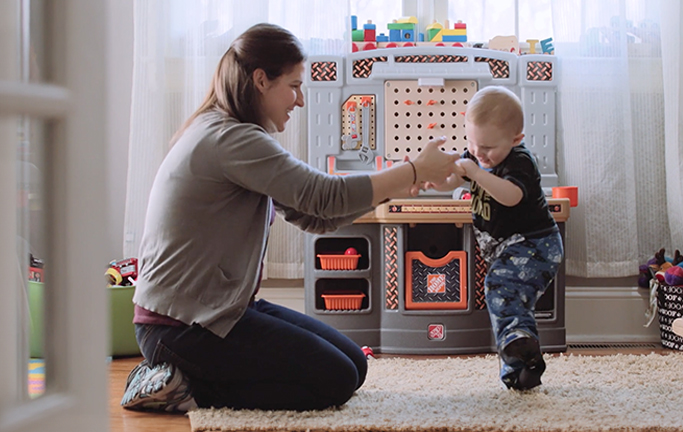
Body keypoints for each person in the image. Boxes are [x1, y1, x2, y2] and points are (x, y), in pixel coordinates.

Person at [120, 23, 461, 413]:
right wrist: (412, 170)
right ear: (261, 80)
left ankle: (193, 377)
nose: (299, 101)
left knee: (354, 364)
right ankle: (185, 388)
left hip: (220, 309)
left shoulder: (232, 133)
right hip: (181, 328)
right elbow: (324, 195)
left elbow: (314, 216)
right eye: (294, 86)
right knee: (334, 379)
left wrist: (396, 185)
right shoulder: (232, 140)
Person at [422, 86, 563, 390]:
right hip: (511, 249)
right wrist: (431, 182)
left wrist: (476, 172)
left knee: (500, 288)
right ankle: (522, 367)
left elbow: (511, 196)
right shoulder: (475, 157)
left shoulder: (519, 161)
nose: (478, 152)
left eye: (487, 147)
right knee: (508, 301)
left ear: (515, 139)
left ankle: (517, 345)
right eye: (471, 142)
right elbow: (450, 181)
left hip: (535, 244)